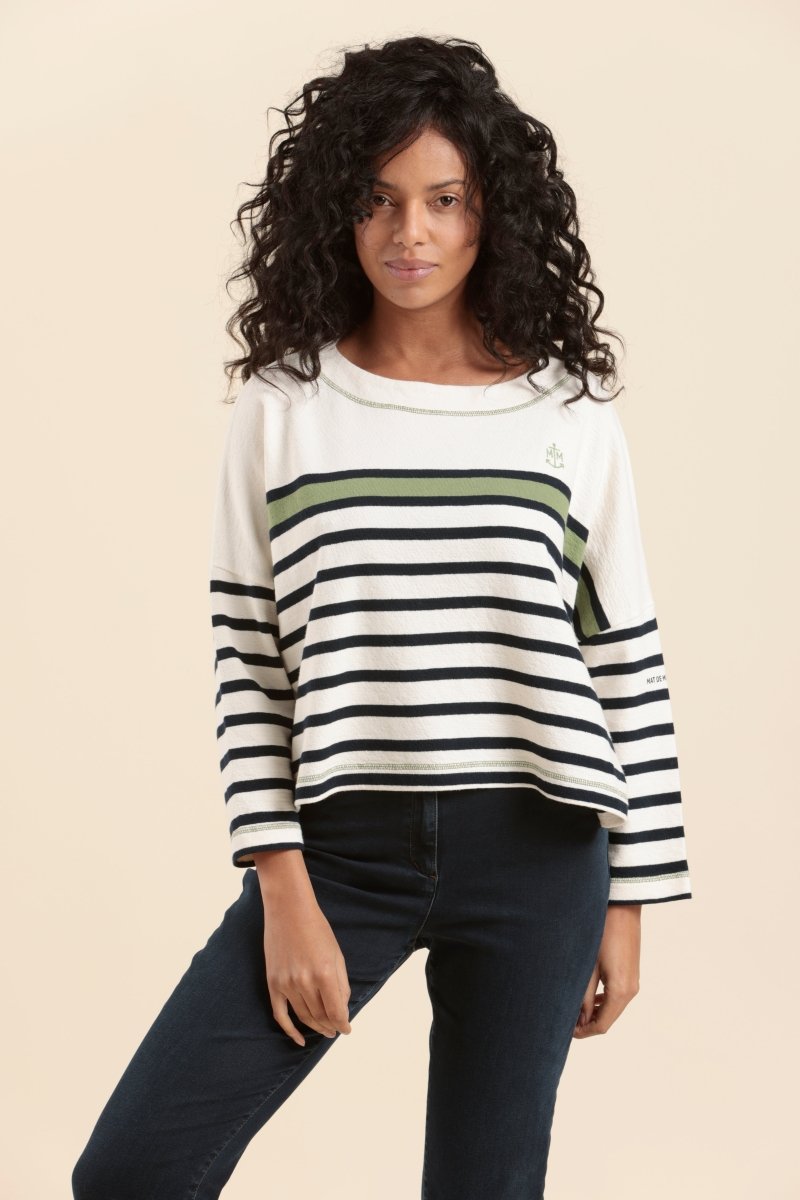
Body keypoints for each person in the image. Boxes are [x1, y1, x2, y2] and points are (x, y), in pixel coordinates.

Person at [71, 33, 692, 1200]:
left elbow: (622, 659)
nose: (410, 232)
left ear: (491, 211)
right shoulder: (283, 407)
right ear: (335, 209)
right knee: (133, 1171)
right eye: (378, 198)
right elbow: (251, 664)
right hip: (342, 851)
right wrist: (281, 887)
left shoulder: (565, 413)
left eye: (443, 200)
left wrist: (629, 900)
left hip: (541, 852)